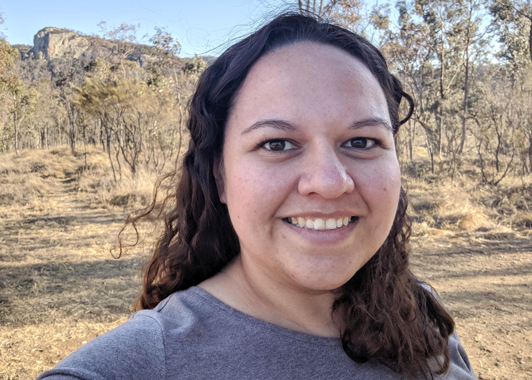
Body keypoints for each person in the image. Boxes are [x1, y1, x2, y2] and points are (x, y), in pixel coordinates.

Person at [38, 13, 476, 380]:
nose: (328, 181)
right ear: (221, 177)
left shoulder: (417, 312)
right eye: (277, 144)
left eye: (362, 141)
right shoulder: (144, 363)